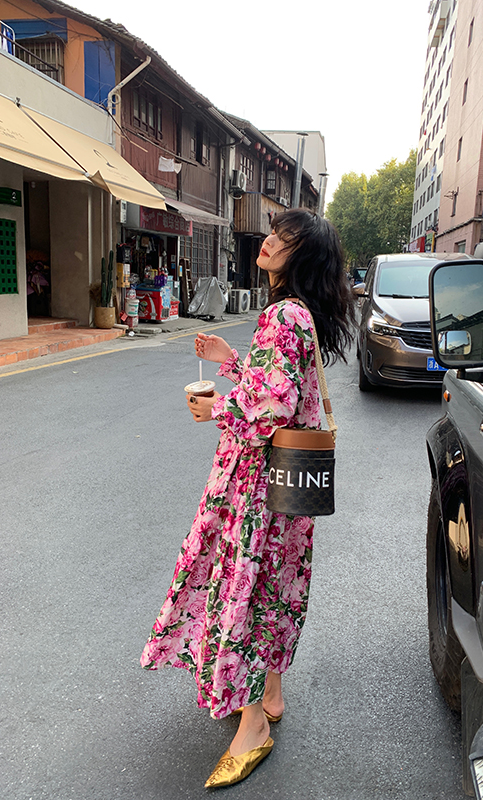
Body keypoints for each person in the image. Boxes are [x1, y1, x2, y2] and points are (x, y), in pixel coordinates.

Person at [140, 208, 355, 788]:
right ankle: (272, 692)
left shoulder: (283, 314)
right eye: (274, 231)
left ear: (302, 255)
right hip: (288, 486)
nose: (270, 240)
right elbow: (282, 386)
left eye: (285, 237)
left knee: (245, 591)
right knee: (274, 585)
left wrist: (218, 405)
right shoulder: (299, 313)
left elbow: (269, 406)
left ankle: (254, 724)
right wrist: (231, 361)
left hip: (256, 485)